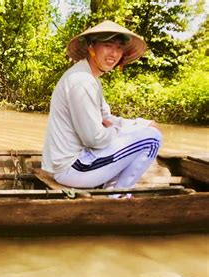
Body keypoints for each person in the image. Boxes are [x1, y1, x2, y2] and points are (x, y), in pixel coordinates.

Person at [42, 20, 162, 193]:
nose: (114, 53)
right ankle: (118, 195)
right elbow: (94, 139)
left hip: (72, 165)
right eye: (107, 45)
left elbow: (106, 119)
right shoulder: (82, 81)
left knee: (146, 130)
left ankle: (113, 188)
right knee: (152, 138)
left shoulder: (89, 78)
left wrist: (140, 123)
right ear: (91, 47)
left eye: (119, 47)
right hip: (72, 169)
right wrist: (116, 130)